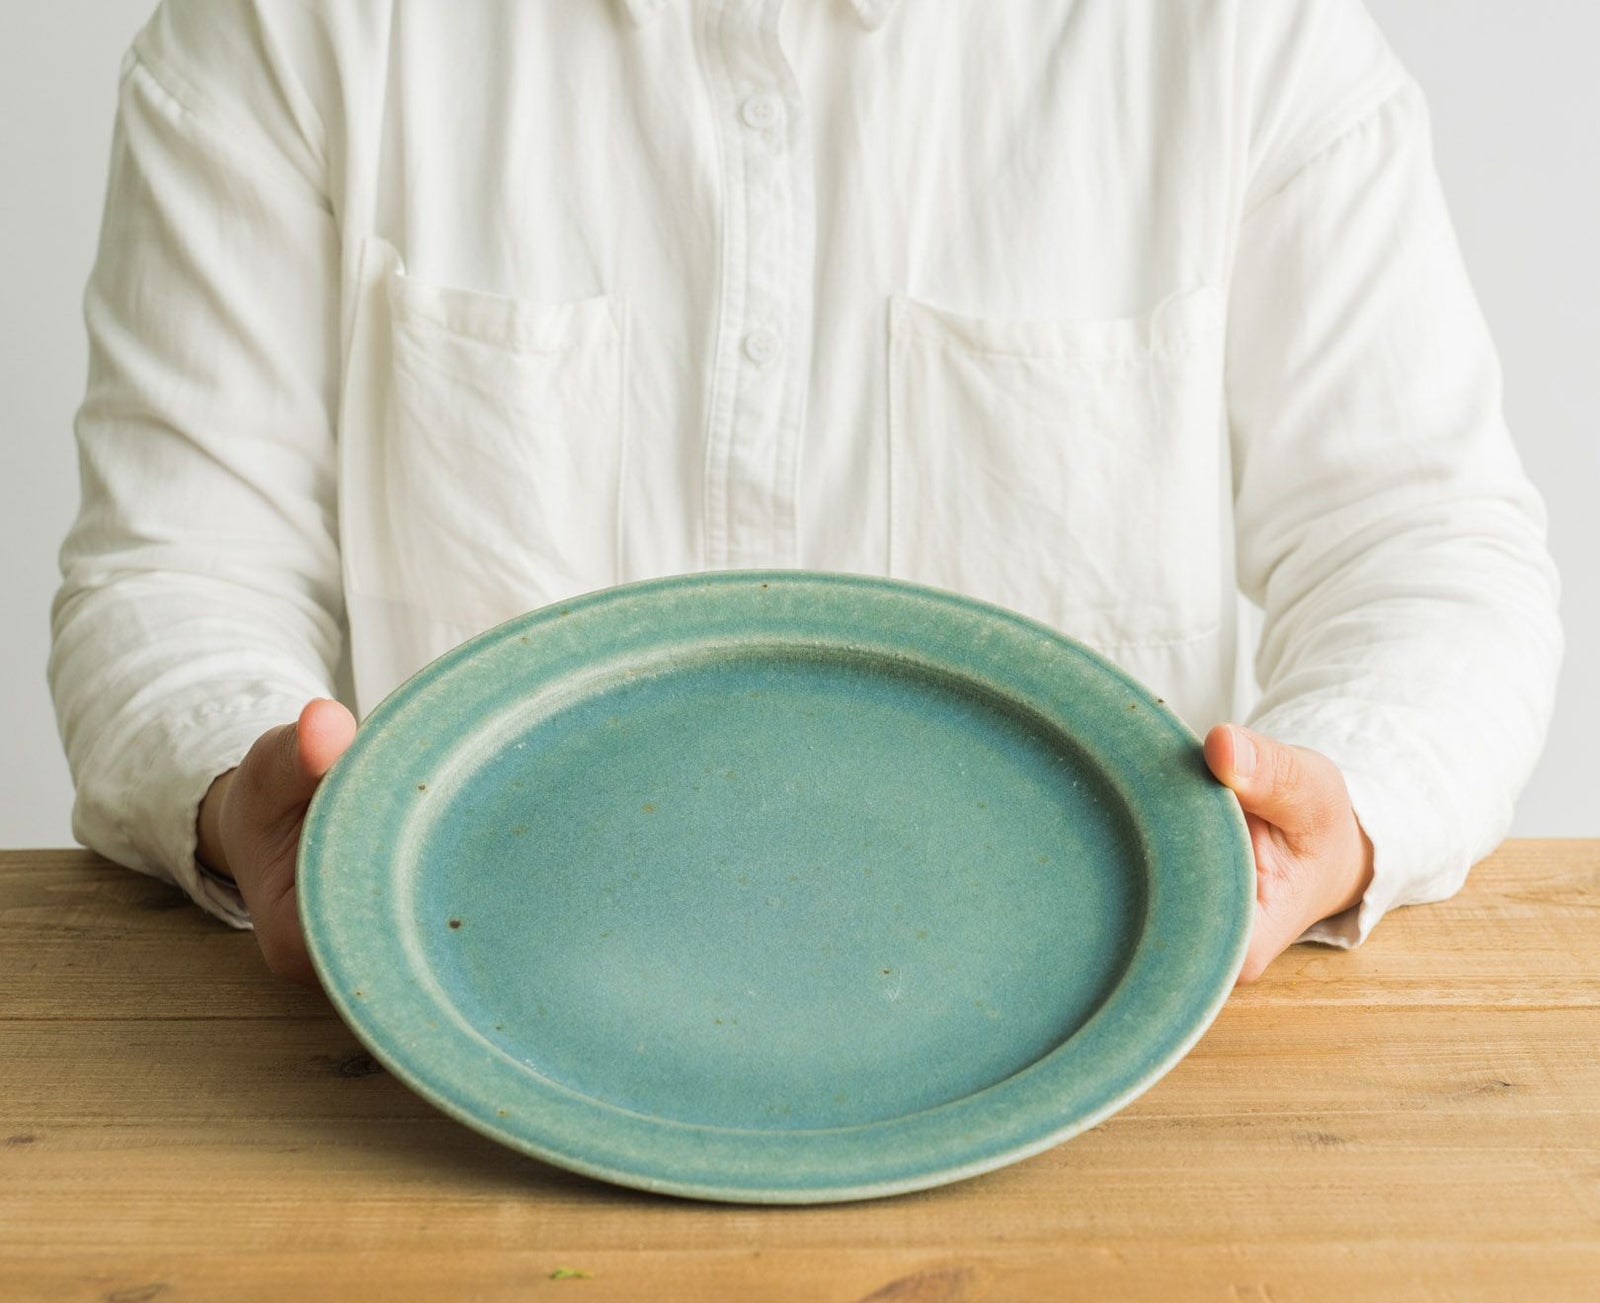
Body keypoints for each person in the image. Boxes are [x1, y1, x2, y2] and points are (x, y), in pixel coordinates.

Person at [49, 0, 1561, 989]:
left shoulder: (1247, 38)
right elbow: (176, 574)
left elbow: (1419, 544)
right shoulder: (281, 31)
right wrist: (239, 793)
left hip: (1091, 1044)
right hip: (455, 1040)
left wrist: (1345, 805)